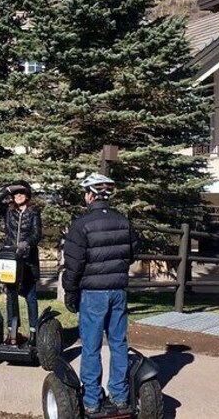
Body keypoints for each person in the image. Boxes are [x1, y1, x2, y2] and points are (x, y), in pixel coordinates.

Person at [62, 173, 138, 414]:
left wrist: (70, 291)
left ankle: (92, 401)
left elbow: (74, 264)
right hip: (118, 290)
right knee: (118, 343)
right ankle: (120, 397)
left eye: (86, 194)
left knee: (91, 346)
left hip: (93, 293)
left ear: (91, 195)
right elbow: (132, 252)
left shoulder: (81, 224)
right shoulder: (123, 221)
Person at [0, 180, 42, 345]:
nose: (18, 196)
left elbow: (37, 233)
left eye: (22, 193)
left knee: (31, 296)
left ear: (27, 196)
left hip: (27, 260)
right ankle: (13, 333)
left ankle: (34, 332)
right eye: (16, 193)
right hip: (11, 260)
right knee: (11, 296)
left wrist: (27, 243)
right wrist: (6, 189)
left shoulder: (34, 212)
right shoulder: (8, 211)